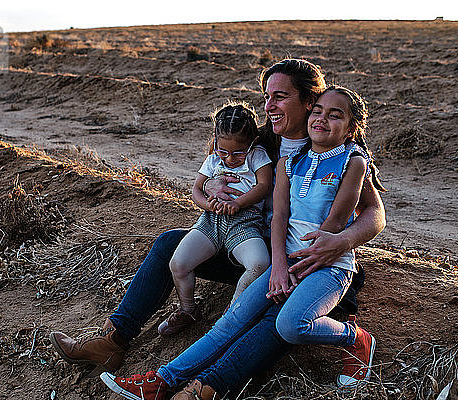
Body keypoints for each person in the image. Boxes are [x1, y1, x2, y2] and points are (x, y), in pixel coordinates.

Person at [49, 59, 386, 396]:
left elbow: (375, 213)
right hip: (256, 243)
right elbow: (214, 167)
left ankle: (209, 386)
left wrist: (341, 241)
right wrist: (210, 186)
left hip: (310, 259)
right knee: (170, 244)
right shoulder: (261, 141)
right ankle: (114, 339)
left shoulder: (342, 153)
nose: (269, 106)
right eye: (267, 96)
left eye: (280, 97)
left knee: (275, 316)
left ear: (310, 101)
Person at [158, 102, 273, 336]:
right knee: (178, 264)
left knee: (259, 264)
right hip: (210, 222)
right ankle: (187, 309)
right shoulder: (213, 159)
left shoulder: (257, 156)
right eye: (224, 151)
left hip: (245, 223)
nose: (230, 159)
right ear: (216, 140)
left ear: (251, 142)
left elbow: (264, 185)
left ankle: (233, 313)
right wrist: (206, 203)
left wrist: (238, 203)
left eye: (238, 153)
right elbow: (196, 191)